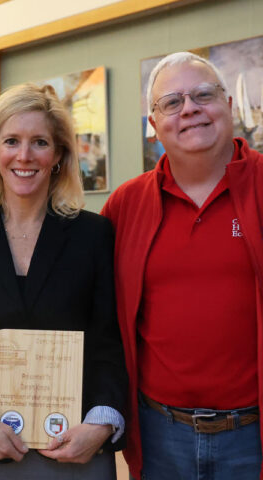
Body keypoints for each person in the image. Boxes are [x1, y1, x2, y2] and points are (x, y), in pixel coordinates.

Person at [0, 83, 128, 479]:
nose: (24, 156)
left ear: (58, 155)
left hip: (80, 447)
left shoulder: (95, 235)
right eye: (11, 141)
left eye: (40, 142)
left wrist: (101, 422)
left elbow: (110, 339)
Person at [102, 51, 263, 480]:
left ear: (228, 107)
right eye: (171, 102)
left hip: (253, 438)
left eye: (203, 95)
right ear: (154, 126)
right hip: (159, 436)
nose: (189, 109)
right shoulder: (124, 205)